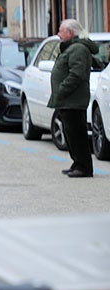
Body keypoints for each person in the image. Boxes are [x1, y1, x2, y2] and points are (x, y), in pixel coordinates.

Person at [49, 18, 98, 178]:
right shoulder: (71, 48)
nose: (58, 34)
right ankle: (77, 163)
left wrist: (62, 89)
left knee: (77, 134)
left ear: (70, 33)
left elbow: (76, 74)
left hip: (73, 100)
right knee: (70, 133)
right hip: (67, 101)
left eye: (61, 31)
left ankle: (84, 167)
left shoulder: (78, 49)